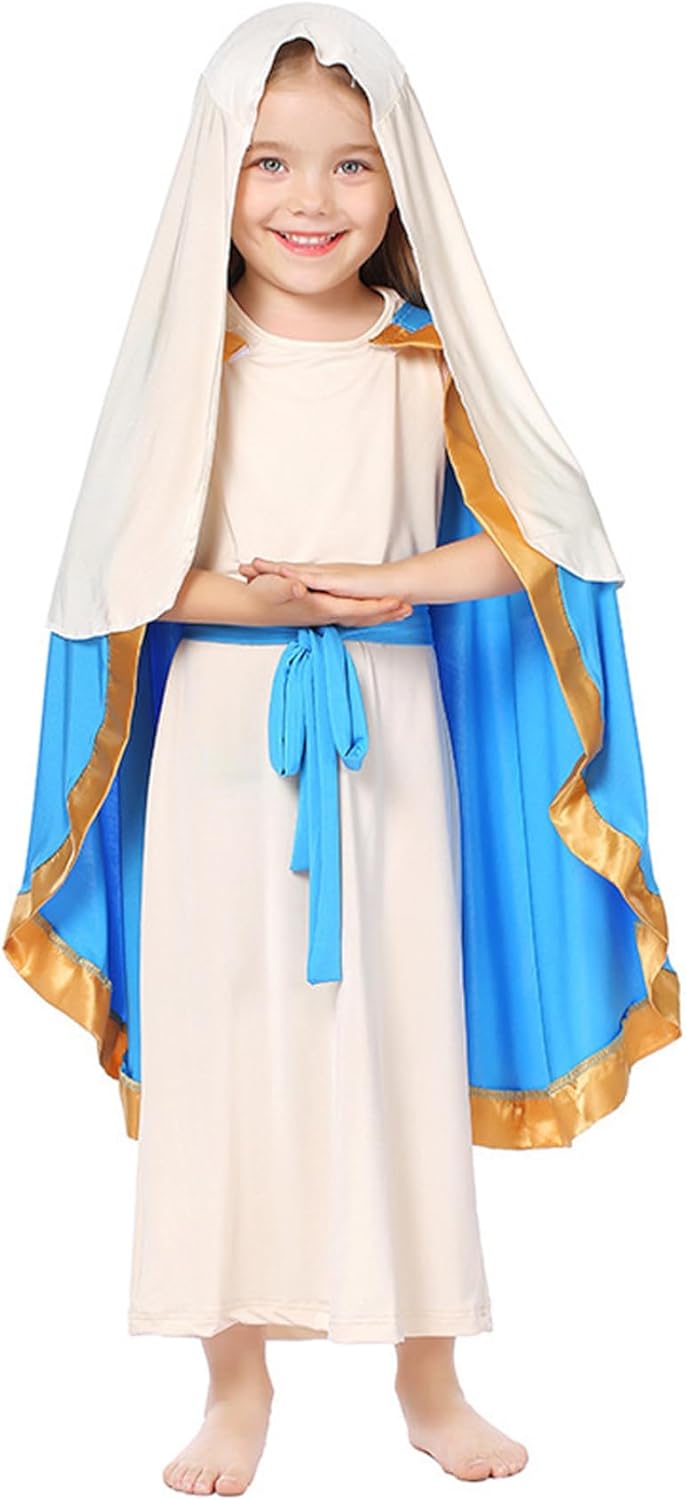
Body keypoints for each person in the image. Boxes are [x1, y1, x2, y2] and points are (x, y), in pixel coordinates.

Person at [4, 6, 680, 1495]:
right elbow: (117, 578)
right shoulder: (187, 362)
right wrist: (260, 598)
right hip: (219, 745)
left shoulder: (424, 354)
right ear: (215, 173)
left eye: (350, 164)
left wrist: (388, 582)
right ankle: (232, 1380)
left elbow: (543, 539)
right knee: (222, 1041)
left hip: (389, 736)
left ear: (399, 179)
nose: (310, 200)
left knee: (395, 1029)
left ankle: (428, 1372)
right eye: (270, 162)